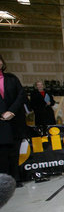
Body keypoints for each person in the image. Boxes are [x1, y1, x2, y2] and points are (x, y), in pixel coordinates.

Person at [0, 54, 27, 188]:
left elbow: (21, 95)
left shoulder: (11, 78)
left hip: (14, 121)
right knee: (3, 154)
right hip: (1, 122)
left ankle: (16, 179)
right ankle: (4, 181)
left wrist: (12, 111)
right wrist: (2, 113)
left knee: (14, 153)